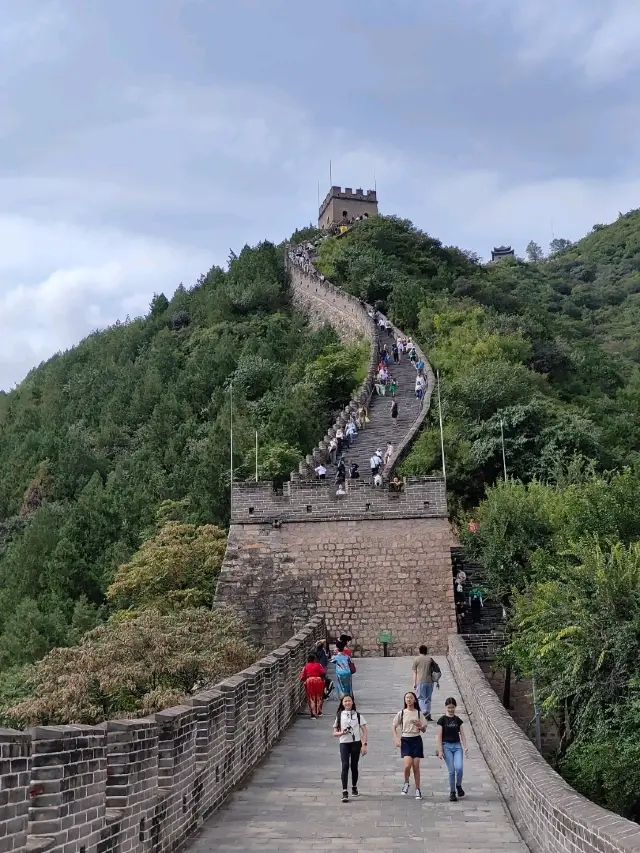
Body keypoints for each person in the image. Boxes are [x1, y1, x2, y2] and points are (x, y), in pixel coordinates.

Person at [392, 692, 427, 800]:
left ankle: (417, 789)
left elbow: (424, 729)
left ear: (414, 700)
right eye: (407, 698)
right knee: (407, 765)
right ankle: (406, 782)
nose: (409, 699)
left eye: (411, 698)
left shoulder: (419, 714)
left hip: (416, 739)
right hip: (406, 739)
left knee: (416, 765)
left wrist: (419, 726)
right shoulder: (402, 713)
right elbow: (394, 726)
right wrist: (396, 739)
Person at [334, 695, 368, 802]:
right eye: (345, 701)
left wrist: (364, 744)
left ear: (352, 702)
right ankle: (344, 791)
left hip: (355, 743)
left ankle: (354, 786)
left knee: (354, 766)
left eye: (349, 701)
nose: (347, 703)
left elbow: (364, 730)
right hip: (344, 743)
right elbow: (334, 732)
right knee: (345, 765)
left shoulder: (358, 715)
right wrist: (341, 733)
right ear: (342, 703)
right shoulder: (339, 715)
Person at [437, 697, 469, 801]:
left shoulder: (457, 720)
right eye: (449, 707)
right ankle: (452, 792)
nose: (451, 710)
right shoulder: (442, 720)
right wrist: (440, 750)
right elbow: (439, 736)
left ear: (455, 707)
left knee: (459, 768)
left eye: (453, 707)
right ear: (446, 707)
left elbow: (462, 735)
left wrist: (465, 747)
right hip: (446, 746)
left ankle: (458, 785)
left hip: (457, 746)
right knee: (451, 770)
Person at [412, 645, 441, 721]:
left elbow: (415, 672)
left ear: (419, 650)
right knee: (428, 698)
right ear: (426, 651)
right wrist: (437, 681)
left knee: (421, 697)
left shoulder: (416, 659)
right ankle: (428, 713)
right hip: (430, 682)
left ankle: (424, 711)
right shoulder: (430, 659)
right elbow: (435, 670)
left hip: (421, 681)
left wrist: (414, 683)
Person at [299, 653, 326, 718]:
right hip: (318, 681)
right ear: (314, 659)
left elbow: (302, 677)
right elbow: (323, 672)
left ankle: (313, 714)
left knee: (311, 697)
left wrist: (306, 680)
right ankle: (319, 711)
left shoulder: (306, 666)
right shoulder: (318, 665)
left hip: (310, 681)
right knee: (319, 696)